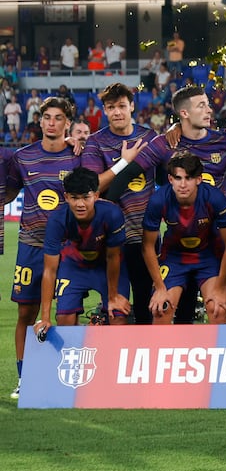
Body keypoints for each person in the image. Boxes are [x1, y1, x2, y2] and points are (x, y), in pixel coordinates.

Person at [8, 97, 80, 398]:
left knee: (66, 313)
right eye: (46, 117)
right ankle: (26, 378)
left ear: (68, 123)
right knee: (26, 312)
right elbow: (8, 189)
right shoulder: (23, 158)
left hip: (65, 247)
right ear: (40, 121)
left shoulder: (78, 158)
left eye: (58, 118)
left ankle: (64, 376)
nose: (51, 122)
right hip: (30, 245)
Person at [83, 83, 157, 325]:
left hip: (147, 236)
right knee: (117, 309)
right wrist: (123, 163)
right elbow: (92, 188)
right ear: (104, 110)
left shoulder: (149, 138)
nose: (117, 112)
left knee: (150, 307)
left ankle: (148, 359)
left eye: (122, 106)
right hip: (113, 238)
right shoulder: (95, 142)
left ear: (132, 106)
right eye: (111, 107)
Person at [33, 168, 131, 338]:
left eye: (86, 197)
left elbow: (113, 256)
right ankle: (81, 352)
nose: (80, 204)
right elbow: (50, 270)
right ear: (66, 197)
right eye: (74, 198)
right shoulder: (57, 220)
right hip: (74, 264)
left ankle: (111, 357)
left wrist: (113, 295)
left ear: (96, 195)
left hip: (106, 267)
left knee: (118, 317)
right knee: (64, 319)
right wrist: (45, 317)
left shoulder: (112, 213)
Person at [141, 151, 226, 325]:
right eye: (178, 178)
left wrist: (221, 286)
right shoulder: (158, 200)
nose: (183, 184)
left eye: (189, 178)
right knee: (161, 309)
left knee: (218, 310)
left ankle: (216, 352)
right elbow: (147, 246)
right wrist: (160, 287)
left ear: (198, 180)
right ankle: (161, 351)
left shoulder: (214, 198)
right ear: (170, 179)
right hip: (174, 257)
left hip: (208, 256)